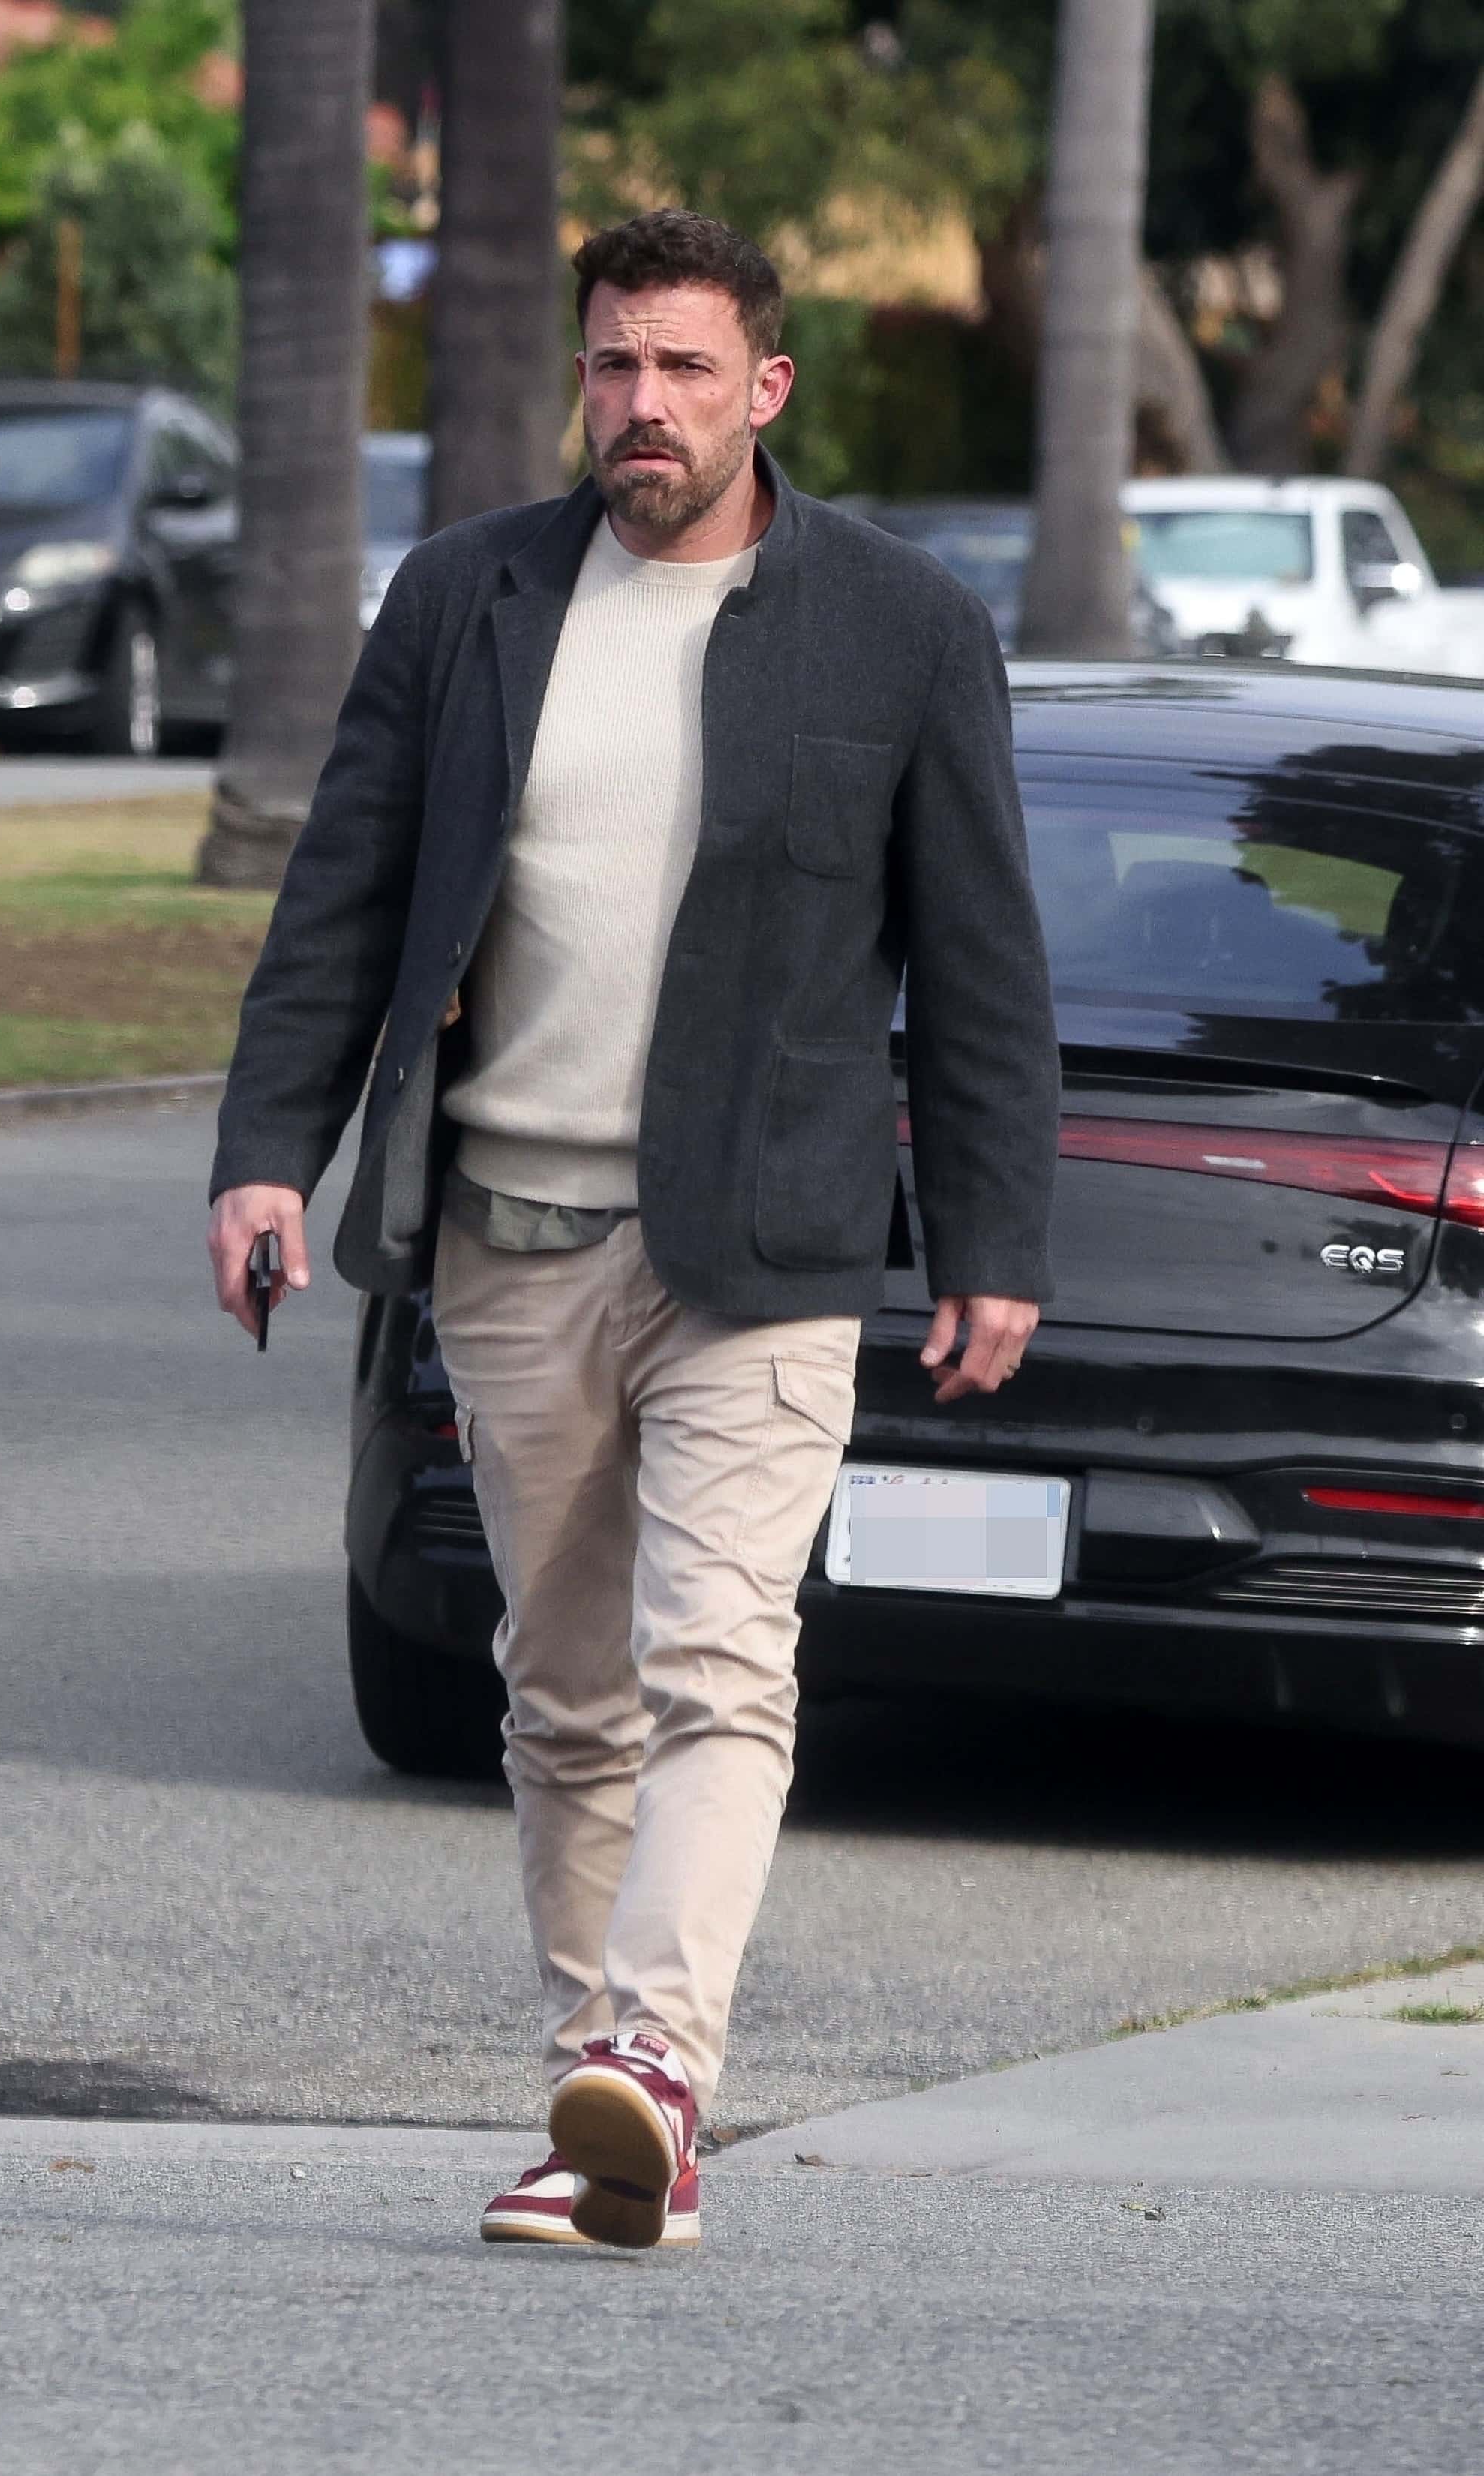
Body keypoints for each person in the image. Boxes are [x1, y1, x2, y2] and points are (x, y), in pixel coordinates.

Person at [207, 208, 1060, 2252]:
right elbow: (343, 895)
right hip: (506, 1229)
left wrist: (991, 1230)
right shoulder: (470, 594)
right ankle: (612, 2122)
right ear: (578, 377)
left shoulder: (898, 625)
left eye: (684, 368)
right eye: (614, 365)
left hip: (756, 1249)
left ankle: (659, 2062)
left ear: (766, 385)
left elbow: (981, 958)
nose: (643, 405)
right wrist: (265, 1152)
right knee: (563, 1690)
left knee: (716, 1660)